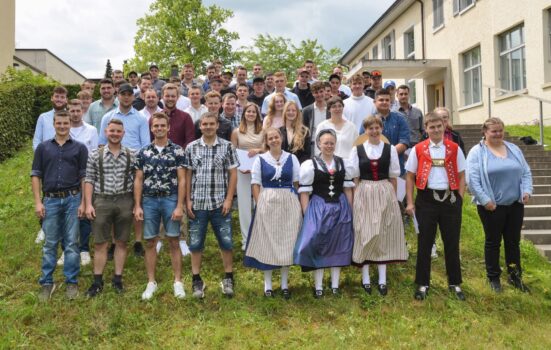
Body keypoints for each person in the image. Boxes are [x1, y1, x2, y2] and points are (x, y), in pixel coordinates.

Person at [466, 117, 532, 293]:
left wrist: (526, 190)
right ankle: (493, 278)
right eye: (493, 131)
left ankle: (515, 276)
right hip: (491, 206)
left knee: (513, 242)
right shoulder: (477, 152)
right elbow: (472, 180)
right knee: (493, 242)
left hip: (515, 204)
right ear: (485, 132)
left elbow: (525, 172)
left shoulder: (514, 149)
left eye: (500, 130)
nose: (497, 134)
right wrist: (485, 200)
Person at [405, 112, 466, 301]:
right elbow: (409, 175)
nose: (436, 130)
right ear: (426, 129)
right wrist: (410, 202)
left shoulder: (454, 148)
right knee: (425, 243)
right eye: (432, 127)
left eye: (439, 126)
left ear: (444, 126)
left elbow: (462, 174)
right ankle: (423, 283)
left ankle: (454, 283)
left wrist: (460, 198)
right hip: (426, 199)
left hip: (450, 199)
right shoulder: (418, 149)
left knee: (451, 242)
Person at [31, 110, 88, 301]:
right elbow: (36, 175)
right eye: (59, 123)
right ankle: (47, 282)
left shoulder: (79, 148)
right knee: (50, 243)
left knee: (72, 243)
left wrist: (83, 202)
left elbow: (84, 176)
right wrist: (38, 202)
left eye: (66, 123)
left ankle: (71, 281)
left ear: (70, 124)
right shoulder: (43, 148)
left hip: (73, 199)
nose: (62, 126)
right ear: (54, 124)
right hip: (51, 200)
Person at [349, 116, 408, 296]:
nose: (374, 131)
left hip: (384, 191)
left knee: (383, 232)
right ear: (365, 131)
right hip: (365, 192)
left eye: (377, 128)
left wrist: (394, 200)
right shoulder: (357, 150)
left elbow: (393, 177)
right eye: (370, 128)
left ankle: (382, 278)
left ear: (381, 129)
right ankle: (365, 277)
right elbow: (355, 178)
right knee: (365, 232)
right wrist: (356, 199)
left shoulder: (390, 150)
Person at [184, 112, 239, 299]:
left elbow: (233, 174)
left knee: (226, 241)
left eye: (211, 124)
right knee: (196, 243)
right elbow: (188, 175)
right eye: (204, 124)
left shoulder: (227, 147)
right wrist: (187, 200)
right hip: (197, 203)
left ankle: (228, 277)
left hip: (220, 203)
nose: (207, 127)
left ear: (217, 126)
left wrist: (229, 199)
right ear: (200, 127)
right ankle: (196, 280)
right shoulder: (191, 148)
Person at [293, 129, 354, 297]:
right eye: (325, 143)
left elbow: (348, 189)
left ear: (336, 144)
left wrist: (350, 209)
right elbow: (304, 192)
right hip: (319, 207)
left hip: (340, 207)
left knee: (339, 244)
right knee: (317, 244)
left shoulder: (343, 163)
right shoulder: (310, 165)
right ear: (319, 144)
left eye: (331, 143)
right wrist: (307, 215)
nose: (329, 146)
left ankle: (335, 285)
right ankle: (318, 286)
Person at [134, 113, 187, 300]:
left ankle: (178, 281)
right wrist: (137, 205)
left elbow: (182, 180)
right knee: (150, 241)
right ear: (151, 128)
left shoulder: (178, 151)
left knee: (174, 240)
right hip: (149, 200)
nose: (159, 128)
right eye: (155, 125)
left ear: (168, 127)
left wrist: (180, 205)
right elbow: (139, 179)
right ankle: (151, 282)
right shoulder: (143, 152)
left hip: (170, 199)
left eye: (162, 125)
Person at [244, 128, 302, 298]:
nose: (274, 140)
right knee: (268, 243)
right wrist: (259, 203)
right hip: (267, 202)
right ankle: (268, 284)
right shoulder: (260, 159)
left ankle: (284, 284)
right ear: (267, 141)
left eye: (276, 137)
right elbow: (255, 183)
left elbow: (297, 182)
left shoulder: (291, 158)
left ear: (281, 138)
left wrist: (293, 200)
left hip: (288, 203)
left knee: (287, 242)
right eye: (271, 138)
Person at [84, 118, 135, 297]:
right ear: (106, 132)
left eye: (118, 131)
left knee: (121, 241)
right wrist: (88, 203)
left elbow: (137, 181)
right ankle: (97, 281)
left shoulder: (131, 155)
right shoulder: (94, 155)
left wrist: (136, 204)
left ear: (123, 134)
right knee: (100, 243)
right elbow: (89, 179)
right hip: (102, 200)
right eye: (111, 131)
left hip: (124, 200)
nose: (114, 134)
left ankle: (118, 278)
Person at [99, 83, 150, 258]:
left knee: (137, 203)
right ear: (117, 95)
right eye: (123, 94)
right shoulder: (108, 117)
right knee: (115, 202)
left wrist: (139, 165)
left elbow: (145, 145)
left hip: (134, 163)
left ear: (133, 97)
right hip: (113, 163)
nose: (126, 97)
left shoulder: (141, 118)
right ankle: (114, 242)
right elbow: (101, 142)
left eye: (129, 94)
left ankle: (137, 241)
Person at [64, 99, 97, 266]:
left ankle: (84, 248)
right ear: (67, 111)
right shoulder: (62, 130)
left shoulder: (91, 130)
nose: (75, 114)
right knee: (68, 214)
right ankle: (67, 249)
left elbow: (95, 154)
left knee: (84, 213)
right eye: (72, 111)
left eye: (78, 110)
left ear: (82, 111)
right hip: (67, 177)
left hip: (87, 176)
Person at [230, 103, 264, 250]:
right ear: (244, 113)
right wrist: (240, 167)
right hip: (242, 171)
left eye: (253, 112)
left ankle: (260, 237)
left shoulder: (263, 131)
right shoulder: (236, 132)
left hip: (259, 171)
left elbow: (267, 148)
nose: (251, 114)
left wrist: (257, 150)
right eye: (248, 111)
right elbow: (232, 152)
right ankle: (246, 240)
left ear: (257, 115)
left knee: (260, 203)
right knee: (244, 205)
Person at [360, 89, 410, 175]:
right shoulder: (367, 120)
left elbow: (404, 142)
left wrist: (386, 155)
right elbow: (362, 142)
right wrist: (379, 158)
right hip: (373, 169)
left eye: (387, 100)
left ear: (390, 102)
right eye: (381, 100)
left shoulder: (400, 118)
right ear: (375, 102)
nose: (384, 102)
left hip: (396, 168)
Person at [158, 83, 195, 149]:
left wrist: (179, 154)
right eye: (167, 96)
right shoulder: (156, 118)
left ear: (177, 97)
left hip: (180, 157)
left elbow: (190, 140)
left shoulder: (186, 117)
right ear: (162, 97)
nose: (170, 99)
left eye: (173, 96)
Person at [32, 86, 68, 150]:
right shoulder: (43, 117)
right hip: (46, 157)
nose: (59, 99)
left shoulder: (70, 117)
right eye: (57, 96)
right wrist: (40, 156)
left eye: (62, 97)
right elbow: (37, 141)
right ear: (52, 98)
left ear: (66, 100)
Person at [302, 81, 330, 154]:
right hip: (312, 145)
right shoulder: (306, 111)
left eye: (321, 91)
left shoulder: (331, 109)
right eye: (316, 92)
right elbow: (303, 130)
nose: (319, 94)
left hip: (329, 144)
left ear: (325, 91)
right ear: (312, 94)